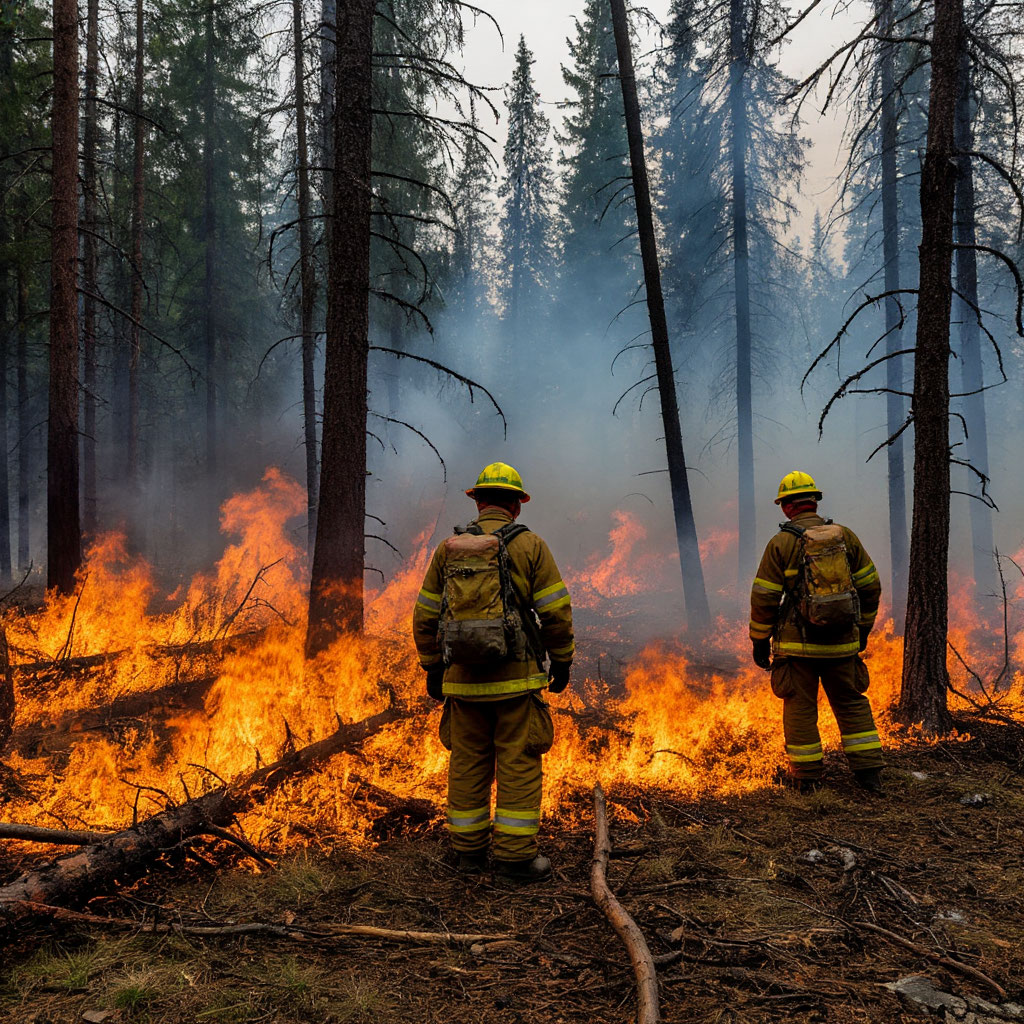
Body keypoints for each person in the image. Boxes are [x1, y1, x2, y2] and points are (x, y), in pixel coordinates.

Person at [412, 462, 574, 881]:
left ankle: (467, 853)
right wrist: (563, 660)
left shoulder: (449, 549)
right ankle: (514, 858)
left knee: (467, 763)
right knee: (518, 763)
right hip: (516, 681)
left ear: (479, 501)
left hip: (463, 682)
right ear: (517, 506)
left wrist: (433, 667)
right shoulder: (530, 546)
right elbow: (555, 612)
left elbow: (425, 615)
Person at [749, 471, 885, 793]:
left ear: (786, 507)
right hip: (842, 644)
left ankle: (807, 778)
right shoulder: (845, 537)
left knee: (800, 707)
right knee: (851, 703)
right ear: (815, 501)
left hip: (799, 650)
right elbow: (870, 585)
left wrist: (760, 640)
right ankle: (869, 775)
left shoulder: (781, 543)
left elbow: (765, 596)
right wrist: (862, 629)